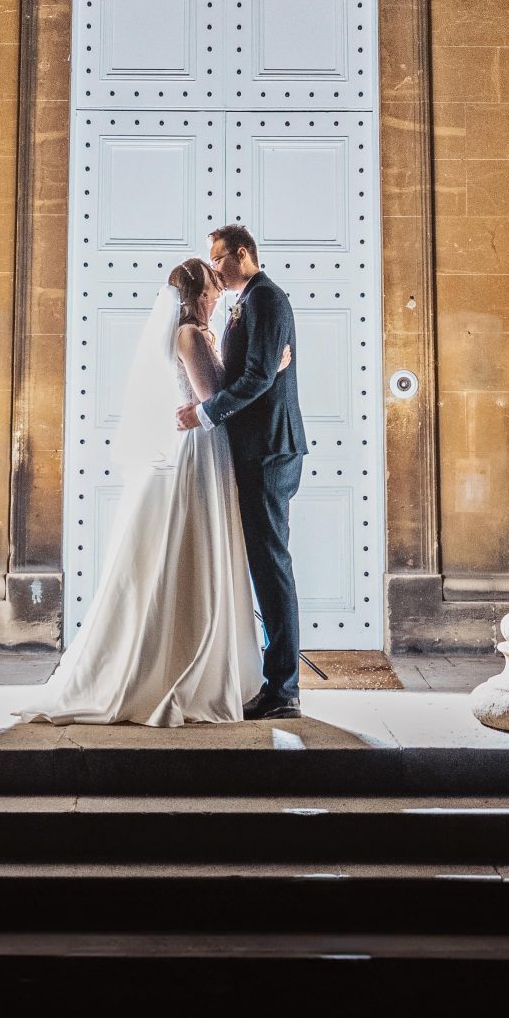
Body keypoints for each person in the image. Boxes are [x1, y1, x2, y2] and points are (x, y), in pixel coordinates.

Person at [14, 257, 262, 725]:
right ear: (198, 295)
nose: (218, 294)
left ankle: (205, 662)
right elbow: (211, 396)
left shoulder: (199, 333)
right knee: (190, 549)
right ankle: (177, 668)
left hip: (206, 446)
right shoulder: (189, 334)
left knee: (198, 549)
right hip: (196, 449)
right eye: (212, 288)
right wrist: (261, 373)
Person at [177, 224, 309, 721]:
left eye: (220, 258)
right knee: (264, 563)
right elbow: (253, 373)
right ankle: (277, 680)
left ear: (243, 254)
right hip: (255, 448)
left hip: (270, 450)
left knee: (271, 565)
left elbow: (255, 377)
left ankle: (283, 689)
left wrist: (206, 414)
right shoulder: (248, 301)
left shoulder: (266, 299)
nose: (215, 269)